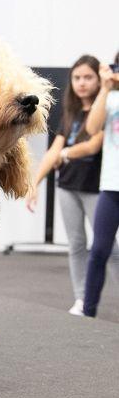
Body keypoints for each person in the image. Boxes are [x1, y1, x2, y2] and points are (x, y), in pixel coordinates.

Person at [25, 56, 119, 315]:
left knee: (108, 248)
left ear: (99, 78)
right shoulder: (71, 113)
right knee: (77, 244)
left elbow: (92, 144)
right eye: (77, 78)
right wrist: (34, 182)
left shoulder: (107, 105)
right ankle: (81, 298)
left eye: (88, 77)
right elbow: (54, 150)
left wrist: (66, 154)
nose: (82, 83)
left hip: (96, 188)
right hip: (68, 186)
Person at [82, 58, 119, 318]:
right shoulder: (112, 99)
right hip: (112, 185)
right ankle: (88, 311)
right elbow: (92, 128)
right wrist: (105, 88)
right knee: (99, 250)